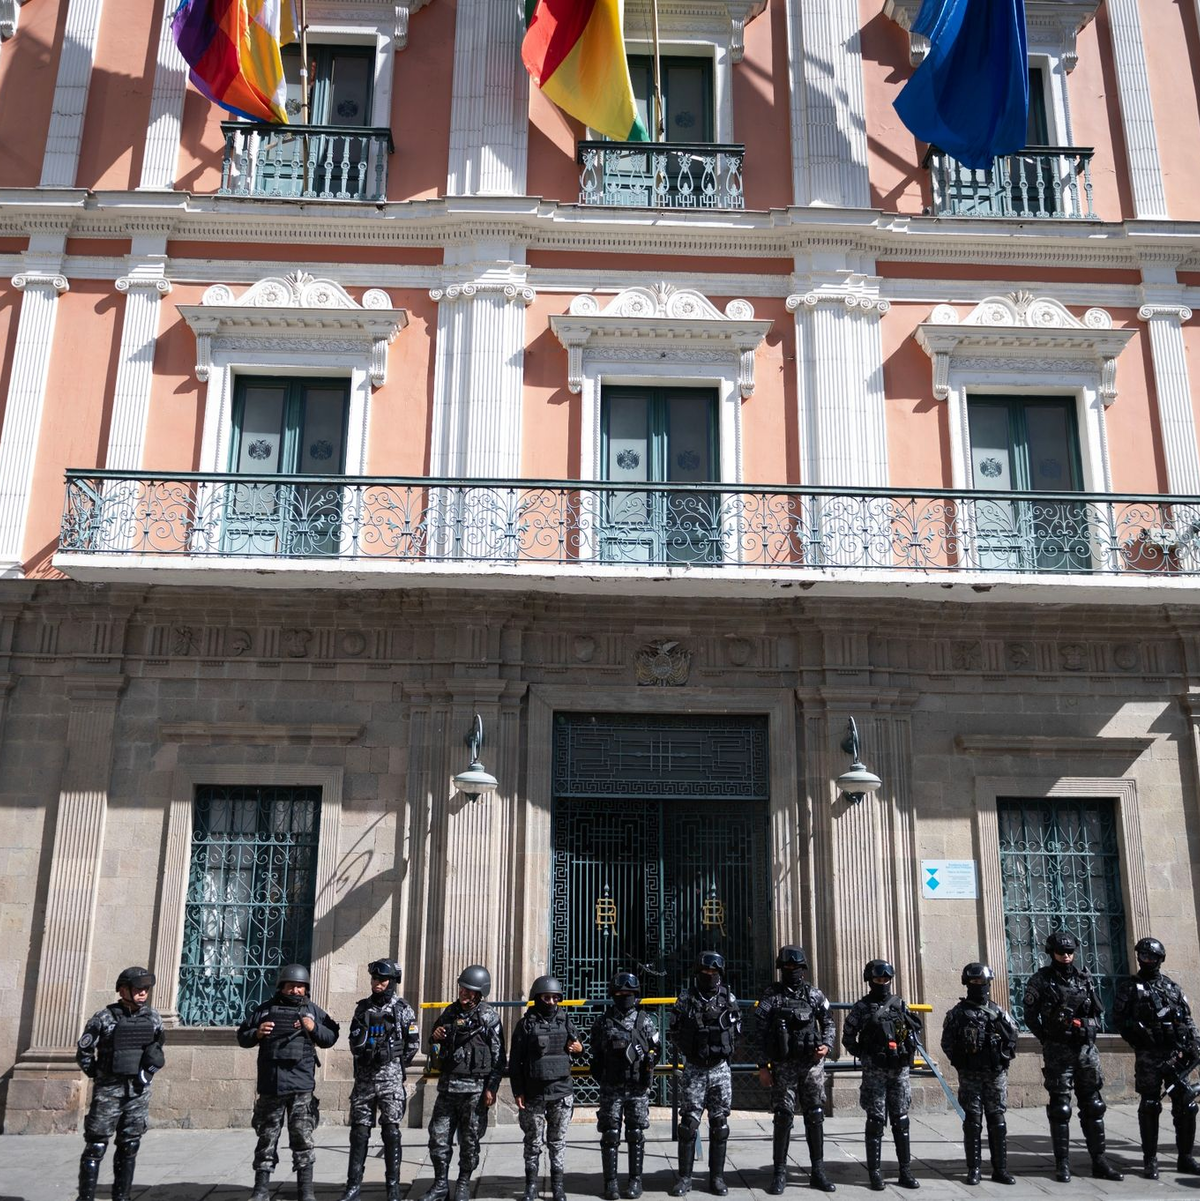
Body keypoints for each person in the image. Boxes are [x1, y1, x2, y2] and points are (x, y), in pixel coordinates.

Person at [1022, 930, 1123, 1183]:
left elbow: (1097, 1012)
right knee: (1060, 1108)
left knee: (1094, 1105)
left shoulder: (1084, 979)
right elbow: (1030, 1016)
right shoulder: (1041, 980)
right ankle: (1062, 1164)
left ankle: (1099, 1161)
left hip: (1086, 1051)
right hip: (1059, 1052)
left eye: (1070, 952)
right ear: (1051, 953)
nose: (1066, 956)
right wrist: (1048, 1038)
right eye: (1061, 952)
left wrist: (1085, 1025)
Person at [236, 963, 340, 1201]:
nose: (295, 991)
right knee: (266, 1138)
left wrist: (313, 1028)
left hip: (301, 1087)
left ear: (306, 989)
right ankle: (261, 1190)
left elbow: (331, 1036)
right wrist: (257, 1033)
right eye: (291, 986)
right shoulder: (265, 1010)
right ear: (282, 987)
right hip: (271, 1085)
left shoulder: (313, 1011)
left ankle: (306, 1191)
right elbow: (242, 1036)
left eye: (300, 987)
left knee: (303, 1138)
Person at [74, 966, 166, 1201]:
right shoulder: (103, 1017)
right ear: (123, 990)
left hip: (138, 1091)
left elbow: (156, 1049)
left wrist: (148, 1073)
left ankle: (121, 1197)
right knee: (96, 1146)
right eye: (138, 989)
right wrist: (98, 1075)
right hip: (108, 1091)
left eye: (146, 989)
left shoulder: (153, 1017)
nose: (143, 993)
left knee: (129, 1146)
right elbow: (84, 1050)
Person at [1115, 936, 1200, 1179]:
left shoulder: (1172, 987)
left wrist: (1194, 1041)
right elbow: (1119, 1019)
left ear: (1160, 959)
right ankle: (1150, 1159)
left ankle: (1185, 1158)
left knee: (1187, 1104)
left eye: (1152, 957)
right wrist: (1139, 1036)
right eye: (1143, 956)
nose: (1147, 960)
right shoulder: (1130, 988)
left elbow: (1186, 1017)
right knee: (1150, 1106)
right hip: (1149, 1056)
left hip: (1175, 1054)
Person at [421, 964, 507, 1201]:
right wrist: (435, 1036)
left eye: (470, 991)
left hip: (475, 1091)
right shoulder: (449, 1012)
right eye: (462, 989)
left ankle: (462, 1183)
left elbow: (500, 1058)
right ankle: (440, 1185)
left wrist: (492, 1087)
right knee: (438, 1137)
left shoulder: (488, 1017)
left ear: (480, 993)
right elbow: (434, 1042)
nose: (464, 993)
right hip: (448, 1088)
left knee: (470, 1140)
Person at [338, 958, 421, 1201]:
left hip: (390, 1080)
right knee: (359, 1132)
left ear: (392, 982)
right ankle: (353, 1187)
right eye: (374, 979)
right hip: (364, 1079)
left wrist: (393, 1062)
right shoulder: (362, 1008)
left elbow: (412, 1045)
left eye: (382, 980)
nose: (377, 983)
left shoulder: (403, 1009)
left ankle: (393, 1188)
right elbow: (353, 1040)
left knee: (391, 1131)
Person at [757, 945, 836, 1194]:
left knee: (815, 1115)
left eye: (796, 967)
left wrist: (827, 1045)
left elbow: (829, 1022)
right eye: (787, 967)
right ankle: (779, 1173)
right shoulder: (772, 996)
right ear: (782, 969)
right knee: (783, 1118)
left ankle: (818, 1171)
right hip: (783, 1066)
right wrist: (763, 1067)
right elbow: (758, 1032)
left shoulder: (814, 995)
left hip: (811, 1066)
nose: (792, 971)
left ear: (803, 969)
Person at [841, 959, 921, 1191]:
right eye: (878, 979)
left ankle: (905, 1171)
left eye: (886, 979)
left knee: (901, 1120)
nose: (883, 983)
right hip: (875, 1071)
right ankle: (875, 1173)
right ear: (870, 981)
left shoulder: (899, 1004)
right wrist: (866, 1056)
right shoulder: (862, 1007)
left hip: (899, 1072)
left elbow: (912, 1032)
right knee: (876, 1121)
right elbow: (848, 1037)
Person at [668, 950, 743, 1197]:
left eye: (713, 972)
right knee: (688, 1124)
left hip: (720, 1069)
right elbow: (674, 1031)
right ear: (697, 973)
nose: (709, 976)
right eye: (705, 972)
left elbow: (736, 1030)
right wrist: (692, 1049)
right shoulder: (686, 999)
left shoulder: (728, 998)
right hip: (694, 1069)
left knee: (720, 1124)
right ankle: (685, 1178)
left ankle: (717, 1178)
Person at [939, 963, 1018, 1186]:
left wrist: (1001, 1055)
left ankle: (1000, 1169)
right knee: (973, 1122)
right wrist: (962, 1062)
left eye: (982, 983)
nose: (979, 986)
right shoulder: (958, 1013)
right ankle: (973, 1169)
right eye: (974, 982)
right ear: (967, 984)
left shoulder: (998, 1011)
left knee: (997, 1119)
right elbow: (947, 1043)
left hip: (995, 1074)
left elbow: (1013, 1036)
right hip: (971, 1075)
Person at [590, 970, 662, 1200]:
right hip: (611, 1087)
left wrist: (648, 1060)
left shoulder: (645, 1021)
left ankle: (635, 1180)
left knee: (635, 1132)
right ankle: (610, 1183)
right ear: (613, 994)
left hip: (637, 1088)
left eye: (629, 993)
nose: (624, 996)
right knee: (610, 1134)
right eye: (620, 992)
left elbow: (657, 1049)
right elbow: (596, 1052)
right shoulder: (603, 1021)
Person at [511, 975, 584, 1201]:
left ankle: (558, 1186)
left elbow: (580, 1050)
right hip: (534, 1094)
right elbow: (515, 1061)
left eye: (555, 998)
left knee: (557, 1143)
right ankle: (531, 1186)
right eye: (546, 997)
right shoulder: (526, 1025)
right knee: (533, 1143)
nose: (551, 1002)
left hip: (561, 1093)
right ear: (537, 998)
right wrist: (518, 1091)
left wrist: (579, 1049)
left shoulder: (565, 1021)